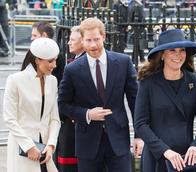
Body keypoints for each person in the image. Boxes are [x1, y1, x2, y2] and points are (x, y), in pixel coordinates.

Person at [58, 17, 143, 172]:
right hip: (87, 144)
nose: (93, 45)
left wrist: (139, 135)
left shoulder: (123, 63)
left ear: (104, 36)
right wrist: (88, 114)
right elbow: (62, 105)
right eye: (88, 40)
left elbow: (136, 102)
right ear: (82, 40)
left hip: (118, 140)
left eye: (96, 39)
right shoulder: (72, 69)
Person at [134, 29, 196, 172]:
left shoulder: (195, 81)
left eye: (182, 50)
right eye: (172, 50)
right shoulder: (148, 83)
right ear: (162, 55)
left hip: (186, 158)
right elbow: (140, 124)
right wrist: (165, 151)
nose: (178, 55)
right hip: (157, 157)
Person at [3, 38, 61, 172]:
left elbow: (55, 119)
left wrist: (51, 145)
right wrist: (29, 147)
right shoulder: (15, 80)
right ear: (37, 60)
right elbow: (10, 119)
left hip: (45, 150)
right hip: (22, 148)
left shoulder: (52, 81)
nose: (54, 65)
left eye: (55, 60)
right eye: (50, 61)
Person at [57, 25, 85, 172]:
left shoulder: (77, 65)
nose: (68, 42)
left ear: (83, 41)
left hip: (74, 122)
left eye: (72, 39)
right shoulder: (73, 61)